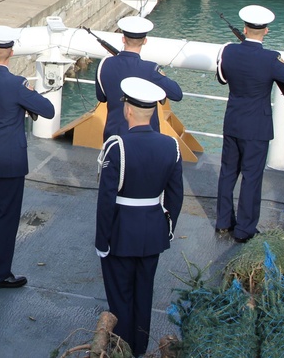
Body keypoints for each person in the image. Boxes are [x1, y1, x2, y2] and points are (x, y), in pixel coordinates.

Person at [96, 77, 184, 358]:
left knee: (120, 295)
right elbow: (175, 196)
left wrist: (102, 240)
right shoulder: (171, 146)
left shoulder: (117, 146)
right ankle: (140, 348)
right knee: (143, 293)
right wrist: (167, 228)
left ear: (127, 110)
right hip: (152, 232)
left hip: (121, 232)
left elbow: (106, 199)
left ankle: (122, 349)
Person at [0, 26, 54, 289]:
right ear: (12, 53)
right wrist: (27, 93)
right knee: (6, 215)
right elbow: (48, 110)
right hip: (11, 158)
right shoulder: (17, 84)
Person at [215, 5, 284, 243]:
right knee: (251, 177)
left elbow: (222, 77)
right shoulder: (270, 58)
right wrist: (281, 66)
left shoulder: (229, 51)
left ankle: (224, 221)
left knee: (227, 173)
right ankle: (245, 229)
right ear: (266, 30)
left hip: (233, 121)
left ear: (244, 28)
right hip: (256, 126)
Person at [95, 17, 183, 140]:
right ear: (145, 41)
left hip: (114, 136)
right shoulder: (150, 69)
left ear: (123, 39)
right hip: (146, 139)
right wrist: (161, 75)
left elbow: (101, 97)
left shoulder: (104, 64)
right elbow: (177, 94)